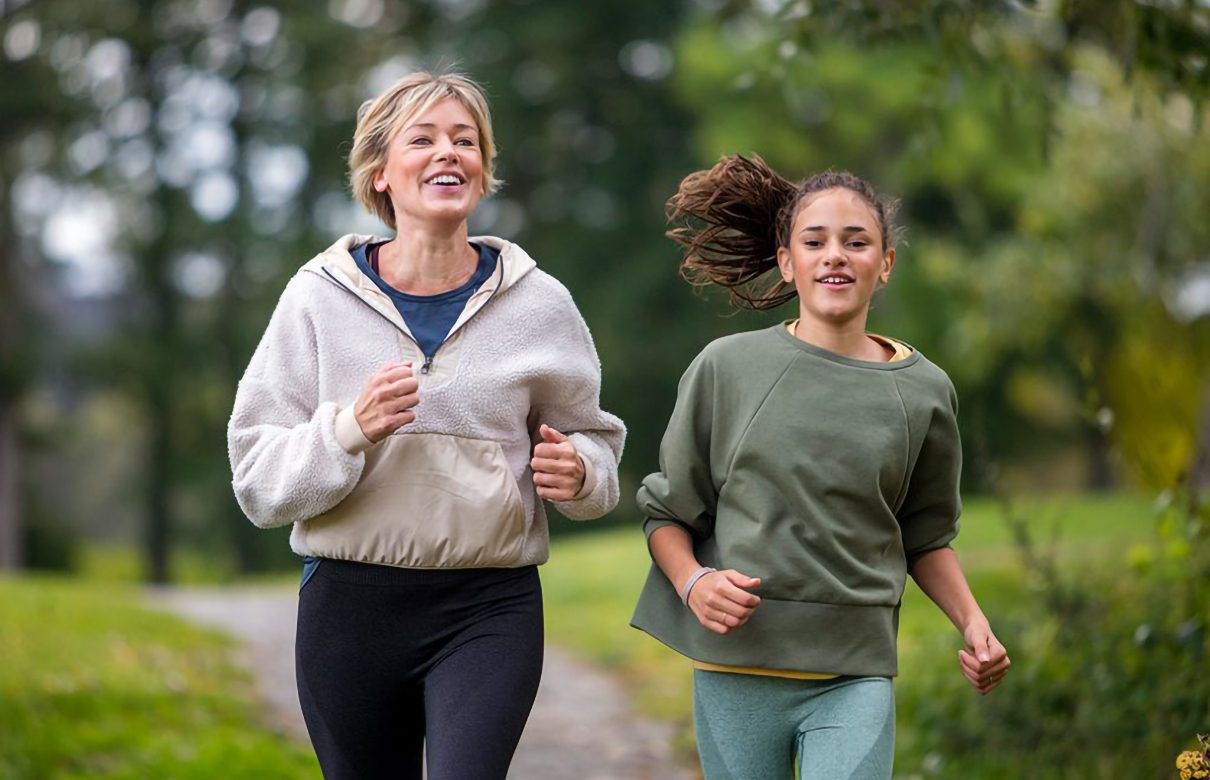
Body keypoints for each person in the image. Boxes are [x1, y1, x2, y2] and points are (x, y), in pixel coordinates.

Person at [227, 71, 625, 780]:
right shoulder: (315, 299)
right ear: (381, 172)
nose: (449, 153)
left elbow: (594, 444)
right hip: (349, 609)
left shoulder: (542, 304)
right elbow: (258, 483)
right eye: (424, 139)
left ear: (483, 168)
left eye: (465, 141)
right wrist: (347, 429)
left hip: (488, 607)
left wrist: (582, 473)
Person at [630, 155, 1009, 779]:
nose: (835, 254)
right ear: (788, 262)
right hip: (737, 670)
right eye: (815, 241)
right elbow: (668, 513)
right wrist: (694, 583)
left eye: (856, 241)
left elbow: (926, 534)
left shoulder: (924, 392)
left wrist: (973, 623)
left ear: (884, 265)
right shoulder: (726, 368)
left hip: (854, 674)